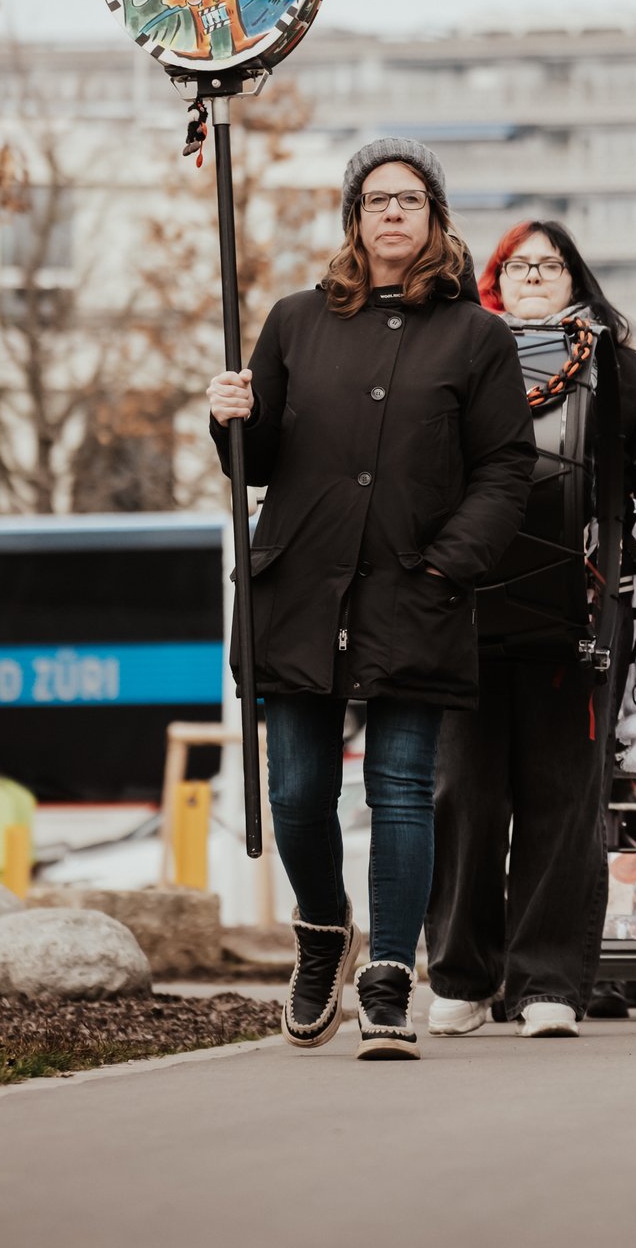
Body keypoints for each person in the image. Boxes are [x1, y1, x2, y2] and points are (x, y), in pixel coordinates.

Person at [206, 138, 534, 1060]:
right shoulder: (294, 321)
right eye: (377, 199)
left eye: (412, 199)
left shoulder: (477, 336)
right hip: (300, 587)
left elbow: (507, 466)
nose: (393, 212)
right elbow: (254, 463)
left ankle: (389, 974)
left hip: (416, 588)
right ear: (354, 217)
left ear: (436, 221)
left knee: (400, 790)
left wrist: (448, 564)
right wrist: (232, 415)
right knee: (298, 790)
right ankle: (323, 930)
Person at [425, 222, 636, 1038]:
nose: (536, 274)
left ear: (574, 275)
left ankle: (547, 982)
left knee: (563, 798)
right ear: (495, 278)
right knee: (463, 796)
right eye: (521, 264)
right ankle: (464, 977)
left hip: (582, 605)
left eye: (552, 263)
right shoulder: (456, 355)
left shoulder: (617, 364)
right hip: (465, 606)